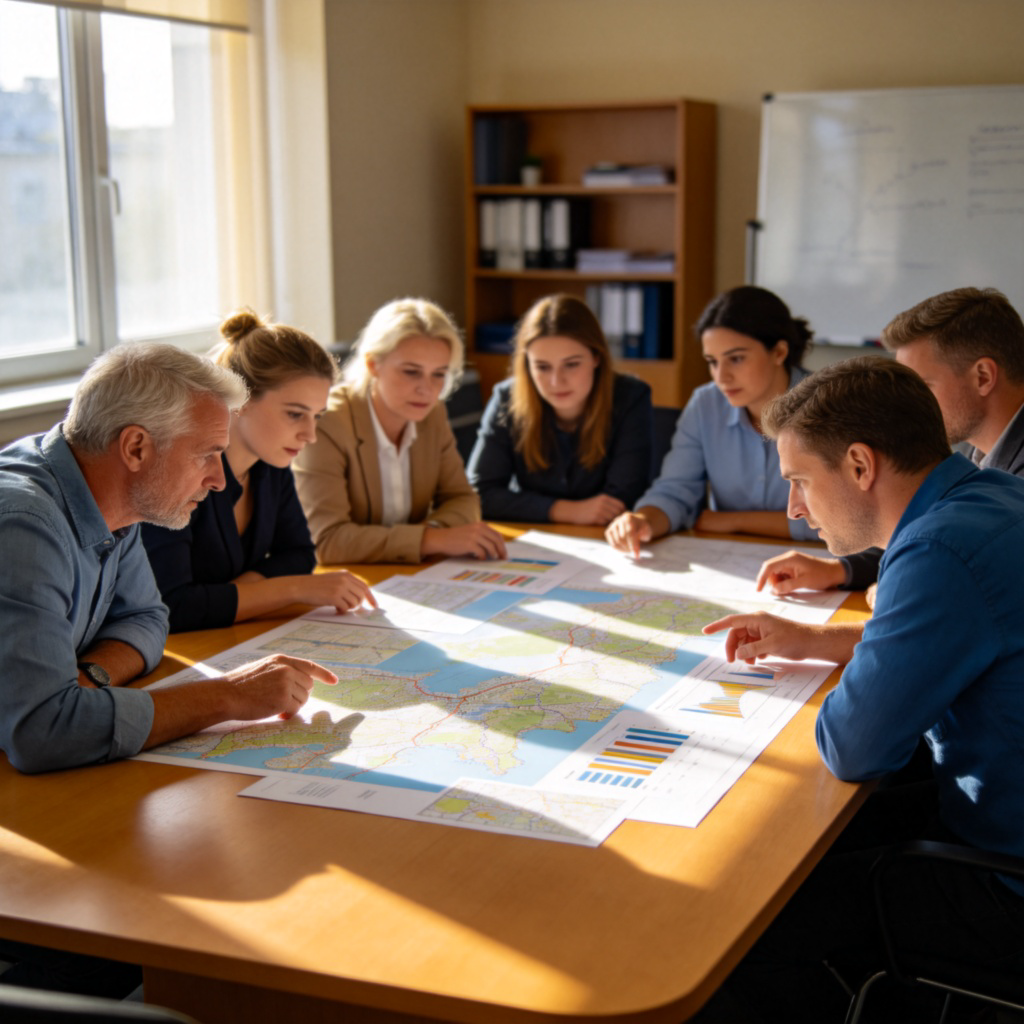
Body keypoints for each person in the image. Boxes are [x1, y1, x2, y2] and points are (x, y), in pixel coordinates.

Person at [0, 342, 338, 996]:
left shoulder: (110, 495)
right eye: (207, 455)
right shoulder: (24, 523)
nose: (219, 480)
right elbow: (43, 732)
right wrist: (225, 698)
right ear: (135, 448)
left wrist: (90, 680)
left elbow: (148, 620)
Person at [697, 357, 1024, 1023]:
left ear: (858, 465)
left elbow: (853, 746)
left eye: (798, 482)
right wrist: (824, 642)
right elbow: (964, 638)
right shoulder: (993, 497)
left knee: (738, 932)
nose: (792, 507)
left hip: (1003, 884)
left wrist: (863, 657)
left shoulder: (935, 552)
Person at [758, 286, 1024, 598]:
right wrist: (840, 569)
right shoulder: (973, 447)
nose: (906, 402)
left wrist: (902, 586)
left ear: (982, 377)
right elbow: (914, 521)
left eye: (921, 385)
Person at [142, 311, 375, 632]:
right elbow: (172, 607)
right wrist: (294, 589)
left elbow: (298, 554)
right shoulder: (177, 474)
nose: (310, 435)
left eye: (317, 416)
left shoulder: (268, 464)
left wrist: (238, 594)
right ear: (242, 400)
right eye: (295, 414)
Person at [605, 285, 820, 556]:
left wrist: (732, 520)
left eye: (736, 359)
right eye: (712, 361)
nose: (721, 377)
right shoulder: (705, 404)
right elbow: (675, 491)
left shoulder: (829, 405)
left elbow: (839, 521)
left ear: (779, 352)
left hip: (819, 568)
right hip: (734, 562)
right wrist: (642, 521)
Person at [293, 298, 506, 563]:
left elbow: (462, 498)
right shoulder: (327, 423)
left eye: (439, 374)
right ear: (373, 365)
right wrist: (431, 540)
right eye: (411, 372)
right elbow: (326, 541)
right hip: (348, 583)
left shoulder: (432, 414)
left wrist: (434, 533)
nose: (427, 390)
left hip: (404, 576)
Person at [466, 294, 654, 525]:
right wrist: (564, 510)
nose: (556, 381)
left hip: (606, 541)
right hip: (537, 539)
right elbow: (478, 494)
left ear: (596, 357)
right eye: (542, 367)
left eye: (571, 364)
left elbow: (621, 499)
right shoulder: (507, 398)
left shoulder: (631, 397)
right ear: (527, 366)